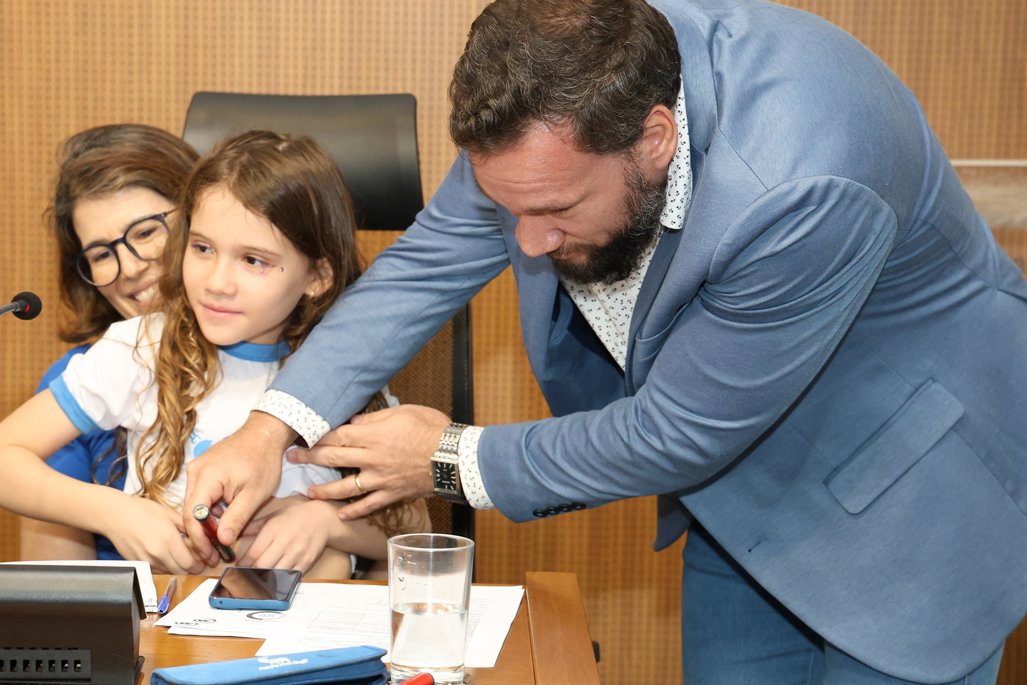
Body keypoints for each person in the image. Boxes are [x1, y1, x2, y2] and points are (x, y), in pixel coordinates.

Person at [184, 1, 1027, 682]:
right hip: (740, 508)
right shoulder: (547, 112)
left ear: (654, 139)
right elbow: (430, 261)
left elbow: (679, 429)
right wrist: (271, 429)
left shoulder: (802, 178)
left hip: (912, 501)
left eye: (555, 212)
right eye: (511, 205)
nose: (526, 242)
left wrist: (446, 460)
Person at [2, 130, 423, 577]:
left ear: (317, 276)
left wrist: (324, 521)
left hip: (290, 634)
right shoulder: (137, 351)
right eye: (202, 249)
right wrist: (117, 512)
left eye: (253, 260)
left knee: (331, 563)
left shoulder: (342, 369)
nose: (217, 282)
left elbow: (413, 528)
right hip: (166, 631)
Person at [21, 123, 198, 562]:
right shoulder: (80, 379)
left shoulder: (297, 351)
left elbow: (389, 531)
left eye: (145, 232)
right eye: (101, 254)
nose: (130, 268)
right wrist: (116, 514)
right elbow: (56, 603)